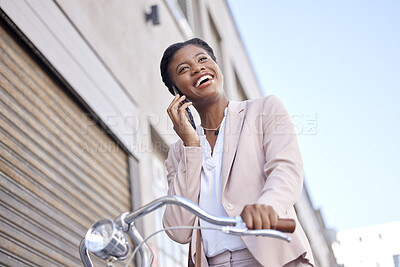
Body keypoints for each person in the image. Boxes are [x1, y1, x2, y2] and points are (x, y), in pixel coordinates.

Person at [160, 38, 314, 267]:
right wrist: (191, 146)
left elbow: (286, 169)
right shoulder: (178, 153)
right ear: (176, 92)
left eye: (203, 59)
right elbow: (179, 230)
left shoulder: (263, 111)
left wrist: (268, 207)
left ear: (216, 66)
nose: (197, 68)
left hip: (272, 258)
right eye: (184, 69)